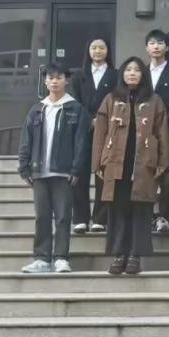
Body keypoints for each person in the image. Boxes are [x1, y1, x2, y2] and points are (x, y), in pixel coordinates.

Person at [92, 57, 169, 276]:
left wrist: (163, 162)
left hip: (143, 164)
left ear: (143, 75)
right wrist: (97, 162)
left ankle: (135, 254)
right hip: (116, 163)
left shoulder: (154, 100)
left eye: (137, 70)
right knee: (118, 210)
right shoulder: (111, 99)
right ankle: (119, 254)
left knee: (140, 210)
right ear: (122, 74)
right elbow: (100, 132)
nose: (132, 73)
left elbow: (162, 132)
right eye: (128, 70)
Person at [18, 62, 89, 274]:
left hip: (64, 172)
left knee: (63, 217)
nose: (54, 81)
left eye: (59, 77)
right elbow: (26, 141)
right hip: (40, 171)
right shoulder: (37, 110)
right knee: (42, 216)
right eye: (50, 78)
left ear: (66, 80)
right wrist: (24, 167)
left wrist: (76, 169)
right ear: (45, 81)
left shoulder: (76, 109)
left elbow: (82, 143)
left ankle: (61, 258)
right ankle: (41, 258)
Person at [69, 38, 116, 233]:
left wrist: (102, 120)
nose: (98, 51)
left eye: (102, 47)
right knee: (80, 172)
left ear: (108, 51)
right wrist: (90, 120)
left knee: (103, 172)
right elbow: (74, 102)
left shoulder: (115, 75)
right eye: (94, 47)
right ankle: (80, 218)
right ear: (88, 51)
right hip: (83, 129)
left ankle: (100, 218)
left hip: (108, 130)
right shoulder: (78, 76)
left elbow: (117, 100)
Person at [146, 29, 169, 234]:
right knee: (145, 173)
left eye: (160, 43)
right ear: (147, 47)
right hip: (144, 132)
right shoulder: (141, 71)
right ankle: (147, 216)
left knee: (167, 175)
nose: (156, 47)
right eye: (152, 43)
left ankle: (163, 216)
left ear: (167, 47)